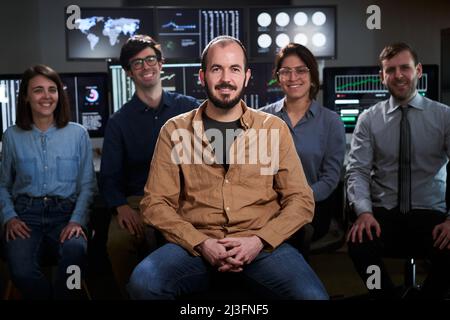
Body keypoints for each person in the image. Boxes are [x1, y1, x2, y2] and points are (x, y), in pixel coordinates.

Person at [127, 35, 329, 300]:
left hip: (262, 246)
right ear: (202, 76)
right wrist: (201, 243)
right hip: (195, 247)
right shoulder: (175, 130)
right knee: (143, 283)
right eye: (216, 69)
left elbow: (301, 200)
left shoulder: (273, 129)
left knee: (313, 297)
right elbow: (154, 203)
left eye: (234, 69)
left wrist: (258, 241)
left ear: (246, 77)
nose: (225, 78)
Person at [346, 42, 450, 299]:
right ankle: (387, 297)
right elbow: (357, 170)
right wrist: (364, 212)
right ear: (382, 76)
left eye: (405, 67)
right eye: (390, 70)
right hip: (383, 214)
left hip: (431, 214)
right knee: (358, 243)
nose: (398, 75)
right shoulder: (368, 119)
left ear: (419, 70)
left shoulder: (444, 117)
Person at [99, 34, 200, 297]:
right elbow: (109, 174)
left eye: (150, 59)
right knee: (118, 243)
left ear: (161, 63)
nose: (146, 67)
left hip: (184, 197)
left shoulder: (189, 108)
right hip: (138, 201)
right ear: (128, 72)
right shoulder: (119, 121)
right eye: (137, 63)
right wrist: (120, 206)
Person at [0, 64, 96, 299]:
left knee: (75, 260)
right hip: (25, 217)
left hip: (66, 215)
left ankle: (67, 295)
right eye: (38, 90)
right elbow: (2, 184)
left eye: (52, 89)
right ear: (25, 96)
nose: (46, 96)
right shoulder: (11, 136)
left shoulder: (78, 134)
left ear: (59, 95)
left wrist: (77, 221)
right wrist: (9, 217)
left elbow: (87, 185)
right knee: (20, 272)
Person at [261, 43, 346, 243]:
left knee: (294, 233)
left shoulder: (331, 122)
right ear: (278, 76)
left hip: (312, 207)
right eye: (286, 72)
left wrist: (296, 201)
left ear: (312, 75)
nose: (293, 78)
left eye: (300, 70)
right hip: (268, 206)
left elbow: (330, 179)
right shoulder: (261, 118)